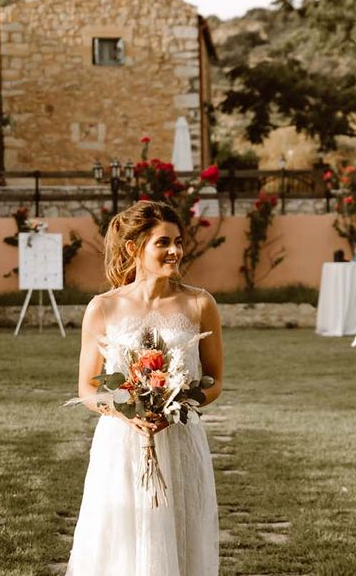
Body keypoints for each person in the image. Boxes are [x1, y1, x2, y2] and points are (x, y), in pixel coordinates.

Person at [66, 200, 222, 576]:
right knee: (120, 543)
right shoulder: (102, 307)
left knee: (181, 540)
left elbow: (216, 380)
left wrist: (178, 404)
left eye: (179, 242)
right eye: (163, 242)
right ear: (135, 248)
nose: (175, 251)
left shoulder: (200, 304)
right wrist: (124, 411)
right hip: (121, 445)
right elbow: (88, 388)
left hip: (181, 439)